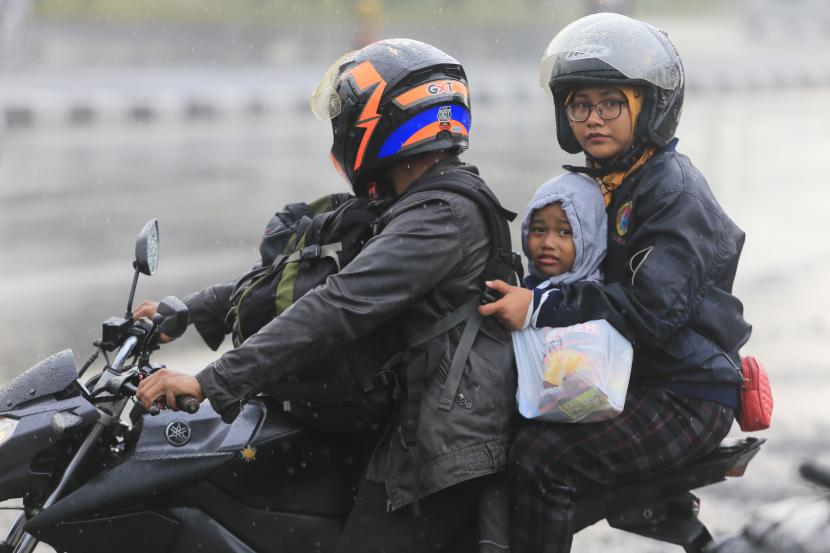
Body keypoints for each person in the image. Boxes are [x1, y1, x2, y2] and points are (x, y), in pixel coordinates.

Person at [134, 38, 518, 552]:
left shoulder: (441, 216)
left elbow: (337, 304)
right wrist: (184, 312)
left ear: (385, 123)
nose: (341, 131)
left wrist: (213, 382)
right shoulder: (406, 204)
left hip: (441, 447)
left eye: (349, 117)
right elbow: (302, 274)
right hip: (397, 426)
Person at [479, 13, 752, 553]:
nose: (593, 119)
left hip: (684, 391)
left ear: (648, 108)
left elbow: (652, 311)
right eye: (580, 104)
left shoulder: (673, 193)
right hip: (630, 374)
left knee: (543, 460)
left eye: (611, 104)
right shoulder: (605, 185)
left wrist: (538, 306)